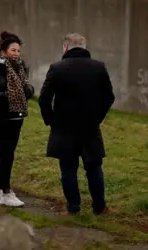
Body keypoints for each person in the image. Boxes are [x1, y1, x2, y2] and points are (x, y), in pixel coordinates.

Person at [38, 33, 115, 215]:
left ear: (65, 48)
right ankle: (99, 207)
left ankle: (73, 208)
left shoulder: (57, 68)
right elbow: (109, 97)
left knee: (68, 168)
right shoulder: (98, 67)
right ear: (85, 47)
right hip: (90, 126)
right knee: (94, 167)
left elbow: (43, 100)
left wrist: (51, 120)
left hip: (64, 127)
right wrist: (97, 118)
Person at [0, 31, 35, 207]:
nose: (17, 54)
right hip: (1, 121)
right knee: (7, 156)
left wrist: (26, 91)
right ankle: (6, 193)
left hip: (16, 120)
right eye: (13, 50)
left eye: (18, 50)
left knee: (6, 156)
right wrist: (12, 94)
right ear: (3, 52)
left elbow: (28, 89)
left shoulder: (19, 68)